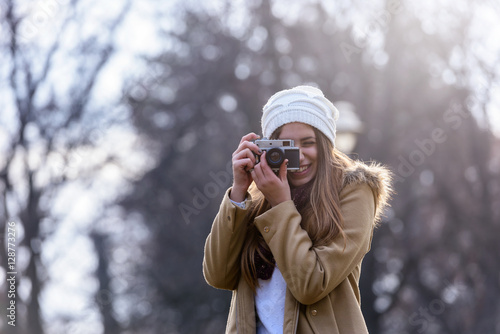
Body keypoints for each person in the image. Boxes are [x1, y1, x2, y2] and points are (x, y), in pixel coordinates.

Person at [203, 85, 393, 333]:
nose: (300, 156)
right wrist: (239, 192)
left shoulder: (353, 191)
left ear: (325, 145)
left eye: (308, 143)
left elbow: (311, 284)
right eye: (286, 147)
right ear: (269, 149)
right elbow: (218, 275)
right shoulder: (259, 200)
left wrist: (281, 205)